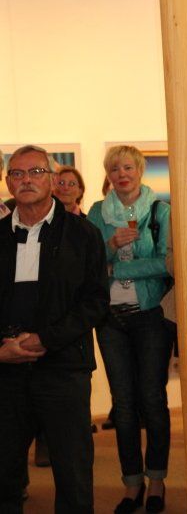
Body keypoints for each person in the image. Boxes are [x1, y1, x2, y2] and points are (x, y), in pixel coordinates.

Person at [0, 145, 108, 513]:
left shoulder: (83, 234)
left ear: (52, 179)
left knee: (72, 472)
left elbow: (95, 301)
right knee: (4, 473)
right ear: (8, 182)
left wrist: (46, 338)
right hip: (5, 370)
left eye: (35, 172)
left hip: (63, 369)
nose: (26, 180)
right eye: (17, 173)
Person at [88, 145, 172, 514]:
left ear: (139, 170)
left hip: (150, 316)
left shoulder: (159, 210)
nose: (121, 174)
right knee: (122, 406)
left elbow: (166, 263)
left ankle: (157, 482)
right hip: (111, 320)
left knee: (152, 401)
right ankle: (131, 484)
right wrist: (110, 246)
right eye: (114, 169)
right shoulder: (97, 212)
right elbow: (88, 262)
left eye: (127, 167)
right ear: (108, 175)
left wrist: (117, 269)